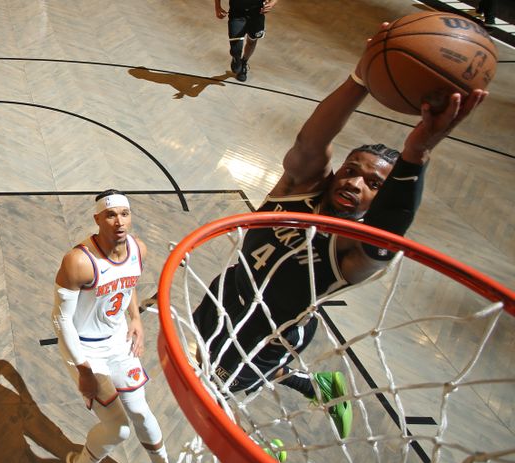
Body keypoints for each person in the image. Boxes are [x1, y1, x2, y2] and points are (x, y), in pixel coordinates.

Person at [192, 37, 487, 440]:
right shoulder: (301, 188)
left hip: (268, 333)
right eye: (352, 170)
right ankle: (316, 385)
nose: (355, 183)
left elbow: (389, 231)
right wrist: (360, 78)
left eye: (373, 184)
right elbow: (309, 143)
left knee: (214, 387)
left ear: (382, 198)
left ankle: (266, 443)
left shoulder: (352, 250)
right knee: (199, 351)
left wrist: (416, 154)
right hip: (228, 291)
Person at [52, 190, 191, 463]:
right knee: (120, 428)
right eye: (111, 215)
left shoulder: (137, 249)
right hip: (86, 351)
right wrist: (83, 369)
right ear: (97, 219)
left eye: (125, 214)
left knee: (142, 412)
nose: (119, 221)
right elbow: (61, 320)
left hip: (117, 343)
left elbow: (127, 289)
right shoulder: (79, 261)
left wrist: (137, 320)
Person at [214, 0, 279, 82]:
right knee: (235, 49)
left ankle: (244, 62)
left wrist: (272, 3)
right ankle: (236, 57)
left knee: (252, 40)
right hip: (237, 13)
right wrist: (218, 7)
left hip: (257, 13)